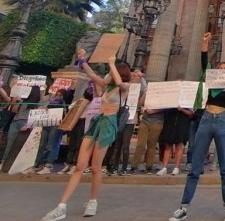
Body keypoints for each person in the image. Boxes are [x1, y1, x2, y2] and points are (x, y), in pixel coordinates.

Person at [41, 51, 131, 221]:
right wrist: (82, 60)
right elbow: (91, 74)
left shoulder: (124, 88)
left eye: (110, 73)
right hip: (97, 122)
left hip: (108, 126)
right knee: (80, 166)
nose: (107, 76)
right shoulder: (106, 87)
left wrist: (112, 64)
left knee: (96, 167)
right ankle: (61, 207)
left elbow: (119, 82)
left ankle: (93, 201)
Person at [168, 32, 225, 221]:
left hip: (224, 121)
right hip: (206, 119)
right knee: (195, 167)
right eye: (220, 68)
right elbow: (203, 61)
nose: (222, 70)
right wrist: (205, 43)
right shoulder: (210, 83)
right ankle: (184, 207)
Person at [1, 85, 42, 168]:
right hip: (15, 122)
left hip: (26, 123)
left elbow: (37, 115)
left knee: (22, 145)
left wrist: (28, 125)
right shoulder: (23, 100)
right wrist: (17, 101)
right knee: (10, 143)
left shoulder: (37, 102)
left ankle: (17, 164)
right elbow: (13, 110)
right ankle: (4, 162)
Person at [35, 89, 67, 174]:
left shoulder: (63, 103)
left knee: (51, 145)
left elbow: (65, 114)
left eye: (60, 95)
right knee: (41, 144)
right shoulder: (51, 102)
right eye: (57, 94)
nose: (58, 96)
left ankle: (48, 165)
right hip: (47, 124)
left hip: (56, 125)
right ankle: (38, 163)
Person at [158, 106, 193, 176]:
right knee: (168, 145)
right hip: (170, 121)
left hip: (182, 122)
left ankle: (176, 167)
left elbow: (191, 113)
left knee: (179, 145)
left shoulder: (187, 99)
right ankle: (164, 167)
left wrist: (182, 109)